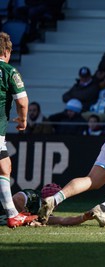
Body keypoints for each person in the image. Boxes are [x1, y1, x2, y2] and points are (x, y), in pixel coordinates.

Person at [0, 31, 37, 228]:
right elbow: (22, 102)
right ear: (6, 52)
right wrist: (22, 121)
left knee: (3, 165)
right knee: (4, 167)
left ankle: (12, 213)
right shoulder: (9, 71)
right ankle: (13, 215)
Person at [0, 183, 94, 227]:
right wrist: (24, 219)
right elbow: (16, 199)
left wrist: (83, 218)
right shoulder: (33, 197)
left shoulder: (44, 213)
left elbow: (63, 220)